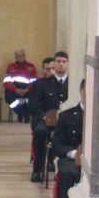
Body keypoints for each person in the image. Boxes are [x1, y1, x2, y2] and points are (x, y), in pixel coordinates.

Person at [49, 79, 85, 198]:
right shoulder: (67, 116)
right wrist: (73, 153)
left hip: (97, 161)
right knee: (66, 173)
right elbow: (56, 145)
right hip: (71, 158)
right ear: (82, 92)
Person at [30, 51, 70, 182]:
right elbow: (35, 106)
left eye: (64, 62)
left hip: (67, 122)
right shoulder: (42, 84)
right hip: (47, 120)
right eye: (58, 61)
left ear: (67, 64)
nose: (61, 65)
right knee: (40, 132)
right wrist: (44, 117)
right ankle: (37, 169)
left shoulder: (72, 84)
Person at [4, 49, 38, 123]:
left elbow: (34, 81)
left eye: (22, 55)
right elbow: (6, 82)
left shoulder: (31, 67)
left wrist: (27, 90)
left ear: (24, 56)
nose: (20, 57)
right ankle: (23, 114)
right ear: (15, 57)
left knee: (34, 98)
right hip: (14, 90)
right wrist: (15, 90)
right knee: (11, 99)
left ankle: (24, 114)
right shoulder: (10, 67)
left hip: (28, 90)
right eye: (18, 56)